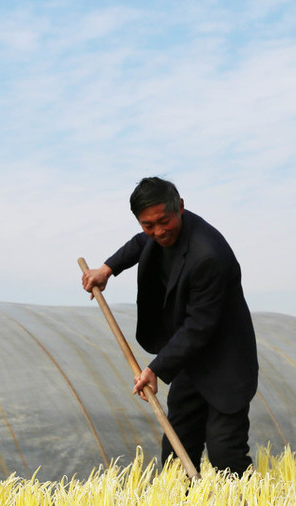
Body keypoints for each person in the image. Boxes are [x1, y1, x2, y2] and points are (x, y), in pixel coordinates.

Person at [81, 177, 258, 475]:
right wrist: (107, 269)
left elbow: (199, 325)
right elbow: (140, 244)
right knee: (177, 451)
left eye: (164, 221)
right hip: (191, 359)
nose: (159, 231)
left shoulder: (208, 255)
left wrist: (155, 370)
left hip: (225, 361)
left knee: (225, 453)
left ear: (181, 208)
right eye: (148, 225)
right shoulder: (154, 234)